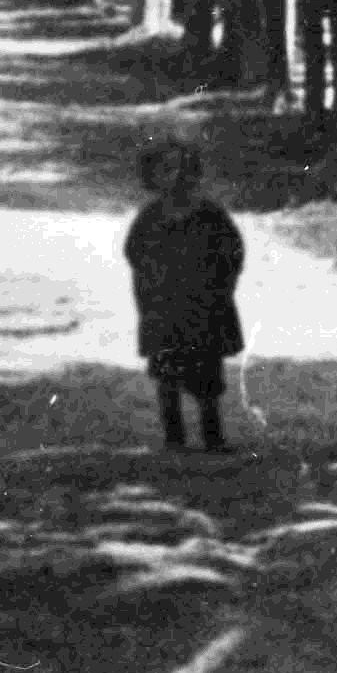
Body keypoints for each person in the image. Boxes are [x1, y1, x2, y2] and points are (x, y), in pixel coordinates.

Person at [121, 133, 248, 453]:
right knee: (166, 375)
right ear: (152, 177)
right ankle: (174, 436)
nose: (175, 177)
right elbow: (134, 252)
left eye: (183, 169)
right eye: (166, 170)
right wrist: (151, 284)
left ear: (195, 175)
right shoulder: (149, 219)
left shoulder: (211, 216)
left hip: (204, 308)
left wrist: (221, 284)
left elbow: (233, 251)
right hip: (163, 308)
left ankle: (212, 435)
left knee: (207, 376)